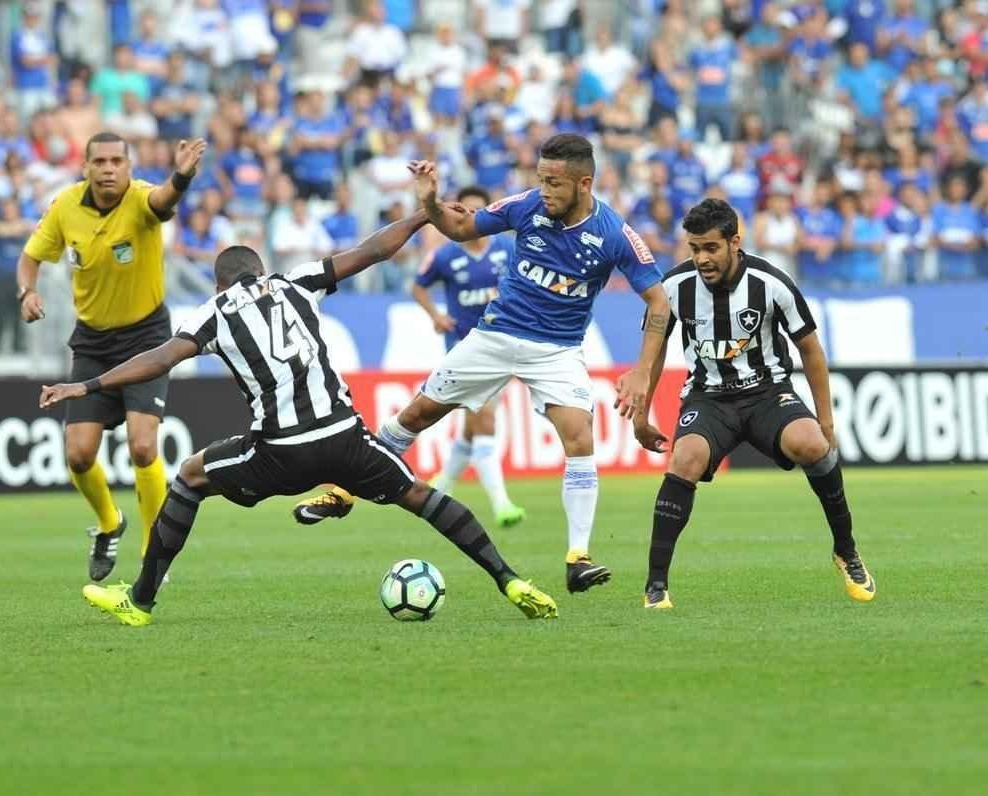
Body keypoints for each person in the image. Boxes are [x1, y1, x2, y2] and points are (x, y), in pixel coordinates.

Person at [39, 213, 558, 626]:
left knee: (191, 476)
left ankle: (140, 601)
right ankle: (510, 580)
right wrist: (423, 216)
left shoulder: (213, 311)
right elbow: (375, 250)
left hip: (280, 450)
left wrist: (87, 385)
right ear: (259, 270)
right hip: (345, 438)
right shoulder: (297, 281)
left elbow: (161, 358)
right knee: (421, 496)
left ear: (222, 282)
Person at [298, 134, 670, 595]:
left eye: (554, 182)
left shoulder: (614, 234)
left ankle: (578, 558)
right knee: (415, 416)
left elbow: (658, 302)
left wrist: (639, 370)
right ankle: (343, 491)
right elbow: (460, 229)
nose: (545, 190)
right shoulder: (527, 206)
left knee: (580, 437)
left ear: (584, 183)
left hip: (556, 350)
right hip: (494, 336)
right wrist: (431, 202)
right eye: (541, 179)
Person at [630, 198, 875, 609]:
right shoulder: (672, 289)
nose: (702, 259)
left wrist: (826, 421)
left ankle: (846, 551)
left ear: (734, 243)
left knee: (814, 445)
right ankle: (656, 584)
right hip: (709, 397)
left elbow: (811, 350)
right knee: (684, 459)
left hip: (767, 394)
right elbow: (652, 354)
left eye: (711, 248)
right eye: (694, 249)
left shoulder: (771, 282)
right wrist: (641, 416)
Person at [18, 132, 206, 582]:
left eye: (116, 161)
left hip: (146, 336)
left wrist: (181, 176)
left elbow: (163, 202)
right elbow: (30, 257)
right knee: (79, 456)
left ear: (128, 166)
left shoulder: (141, 199)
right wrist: (28, 290)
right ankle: (108, 523)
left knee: (143, 446)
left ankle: (152, 554)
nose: (107, 168)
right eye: (98, 160)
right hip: (93, 342)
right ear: (85, 166)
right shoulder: (65, 207)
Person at [411, 186, 525, 526]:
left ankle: (440, 487)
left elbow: (527, 279)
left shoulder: (506, 247)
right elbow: (418, 285)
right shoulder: (446, 256)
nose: (471, 217)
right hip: (464, 349)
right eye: (465, 211)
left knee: (472, 427)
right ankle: (502, 505)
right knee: (485, 419)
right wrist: (435, 316)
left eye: (479, 211)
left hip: (504, 344)